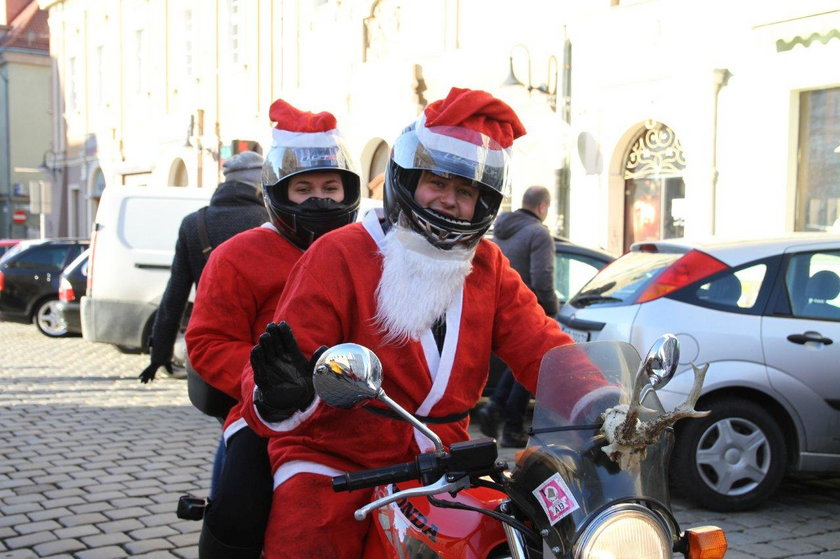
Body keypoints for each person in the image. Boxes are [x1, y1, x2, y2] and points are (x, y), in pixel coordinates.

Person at [240, 87, 604, 559]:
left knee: (502, 541)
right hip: (335, 455)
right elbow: (288, 353)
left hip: (442, 459)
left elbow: (541, 344)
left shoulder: (489, 266)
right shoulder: (339, 253)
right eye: (437, 183)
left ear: (485, 201)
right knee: (306, 537)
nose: (449, 201)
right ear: (407, 180)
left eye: (466, 191)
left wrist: (605, 407)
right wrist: (281, 391)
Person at [184, 99, 361, 558]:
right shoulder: (237, 255)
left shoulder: (369, 252)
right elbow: (206, 341)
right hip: (265, 411)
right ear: (279, 192)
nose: (320, 198)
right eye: (304, 188)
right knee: (240, 511)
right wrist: (265, 380)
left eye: (330, 187)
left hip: (358, 409)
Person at [138, 150, 267, 384]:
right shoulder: (269, 221)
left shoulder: (194, 223)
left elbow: (174, 294)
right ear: (262, 183)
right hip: (263, 345)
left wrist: (160, 353)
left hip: (212, 344)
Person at [477, 185, 558, 448]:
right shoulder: (539, 233)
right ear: (543, 207)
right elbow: (542, 276)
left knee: (517, 368)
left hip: (498, 306)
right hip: (526, 308)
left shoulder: (501, 229)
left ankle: (497, 407)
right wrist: (550, 308)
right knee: (532, 364)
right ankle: (511, 425)